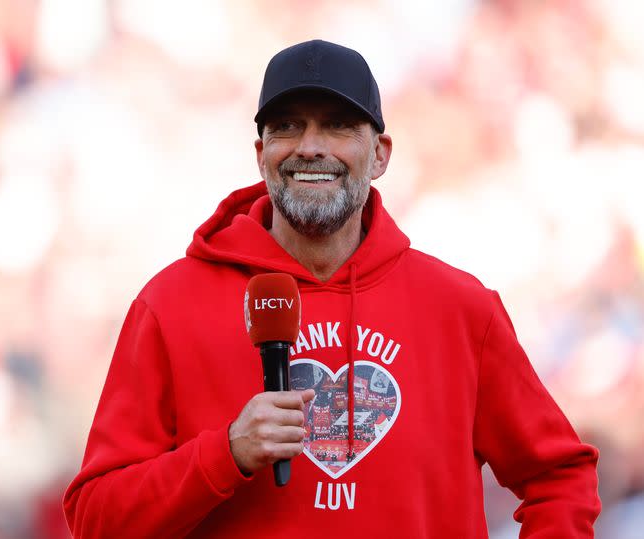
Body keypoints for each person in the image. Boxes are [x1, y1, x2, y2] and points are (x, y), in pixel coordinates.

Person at [63, 40, 600, 538]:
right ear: (261, 152)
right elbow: (95, 517)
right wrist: (223, 455)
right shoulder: (170, 305)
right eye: (288, 126)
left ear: (381, 154)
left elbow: (559, 476)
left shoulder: (460, 309)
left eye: (339, 126)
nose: (311, 147)